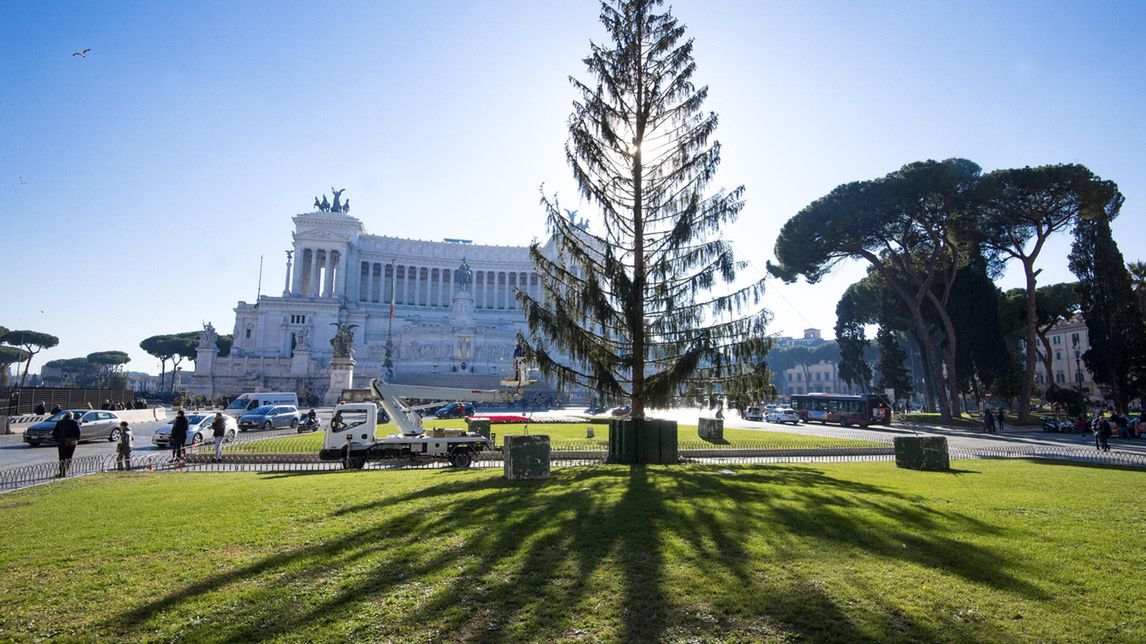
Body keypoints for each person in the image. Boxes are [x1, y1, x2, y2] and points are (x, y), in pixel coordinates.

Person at [51, 411, 81, 478]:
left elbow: (54, 433)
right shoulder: (75, 422)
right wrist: (76, 439)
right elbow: (78, 433)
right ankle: (65, 471)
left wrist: (58, 439)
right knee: (69, 457)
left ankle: (62, 472)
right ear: (71, 416)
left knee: (62, 457)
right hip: (71, 442)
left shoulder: (60, 422)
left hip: (62, 442)